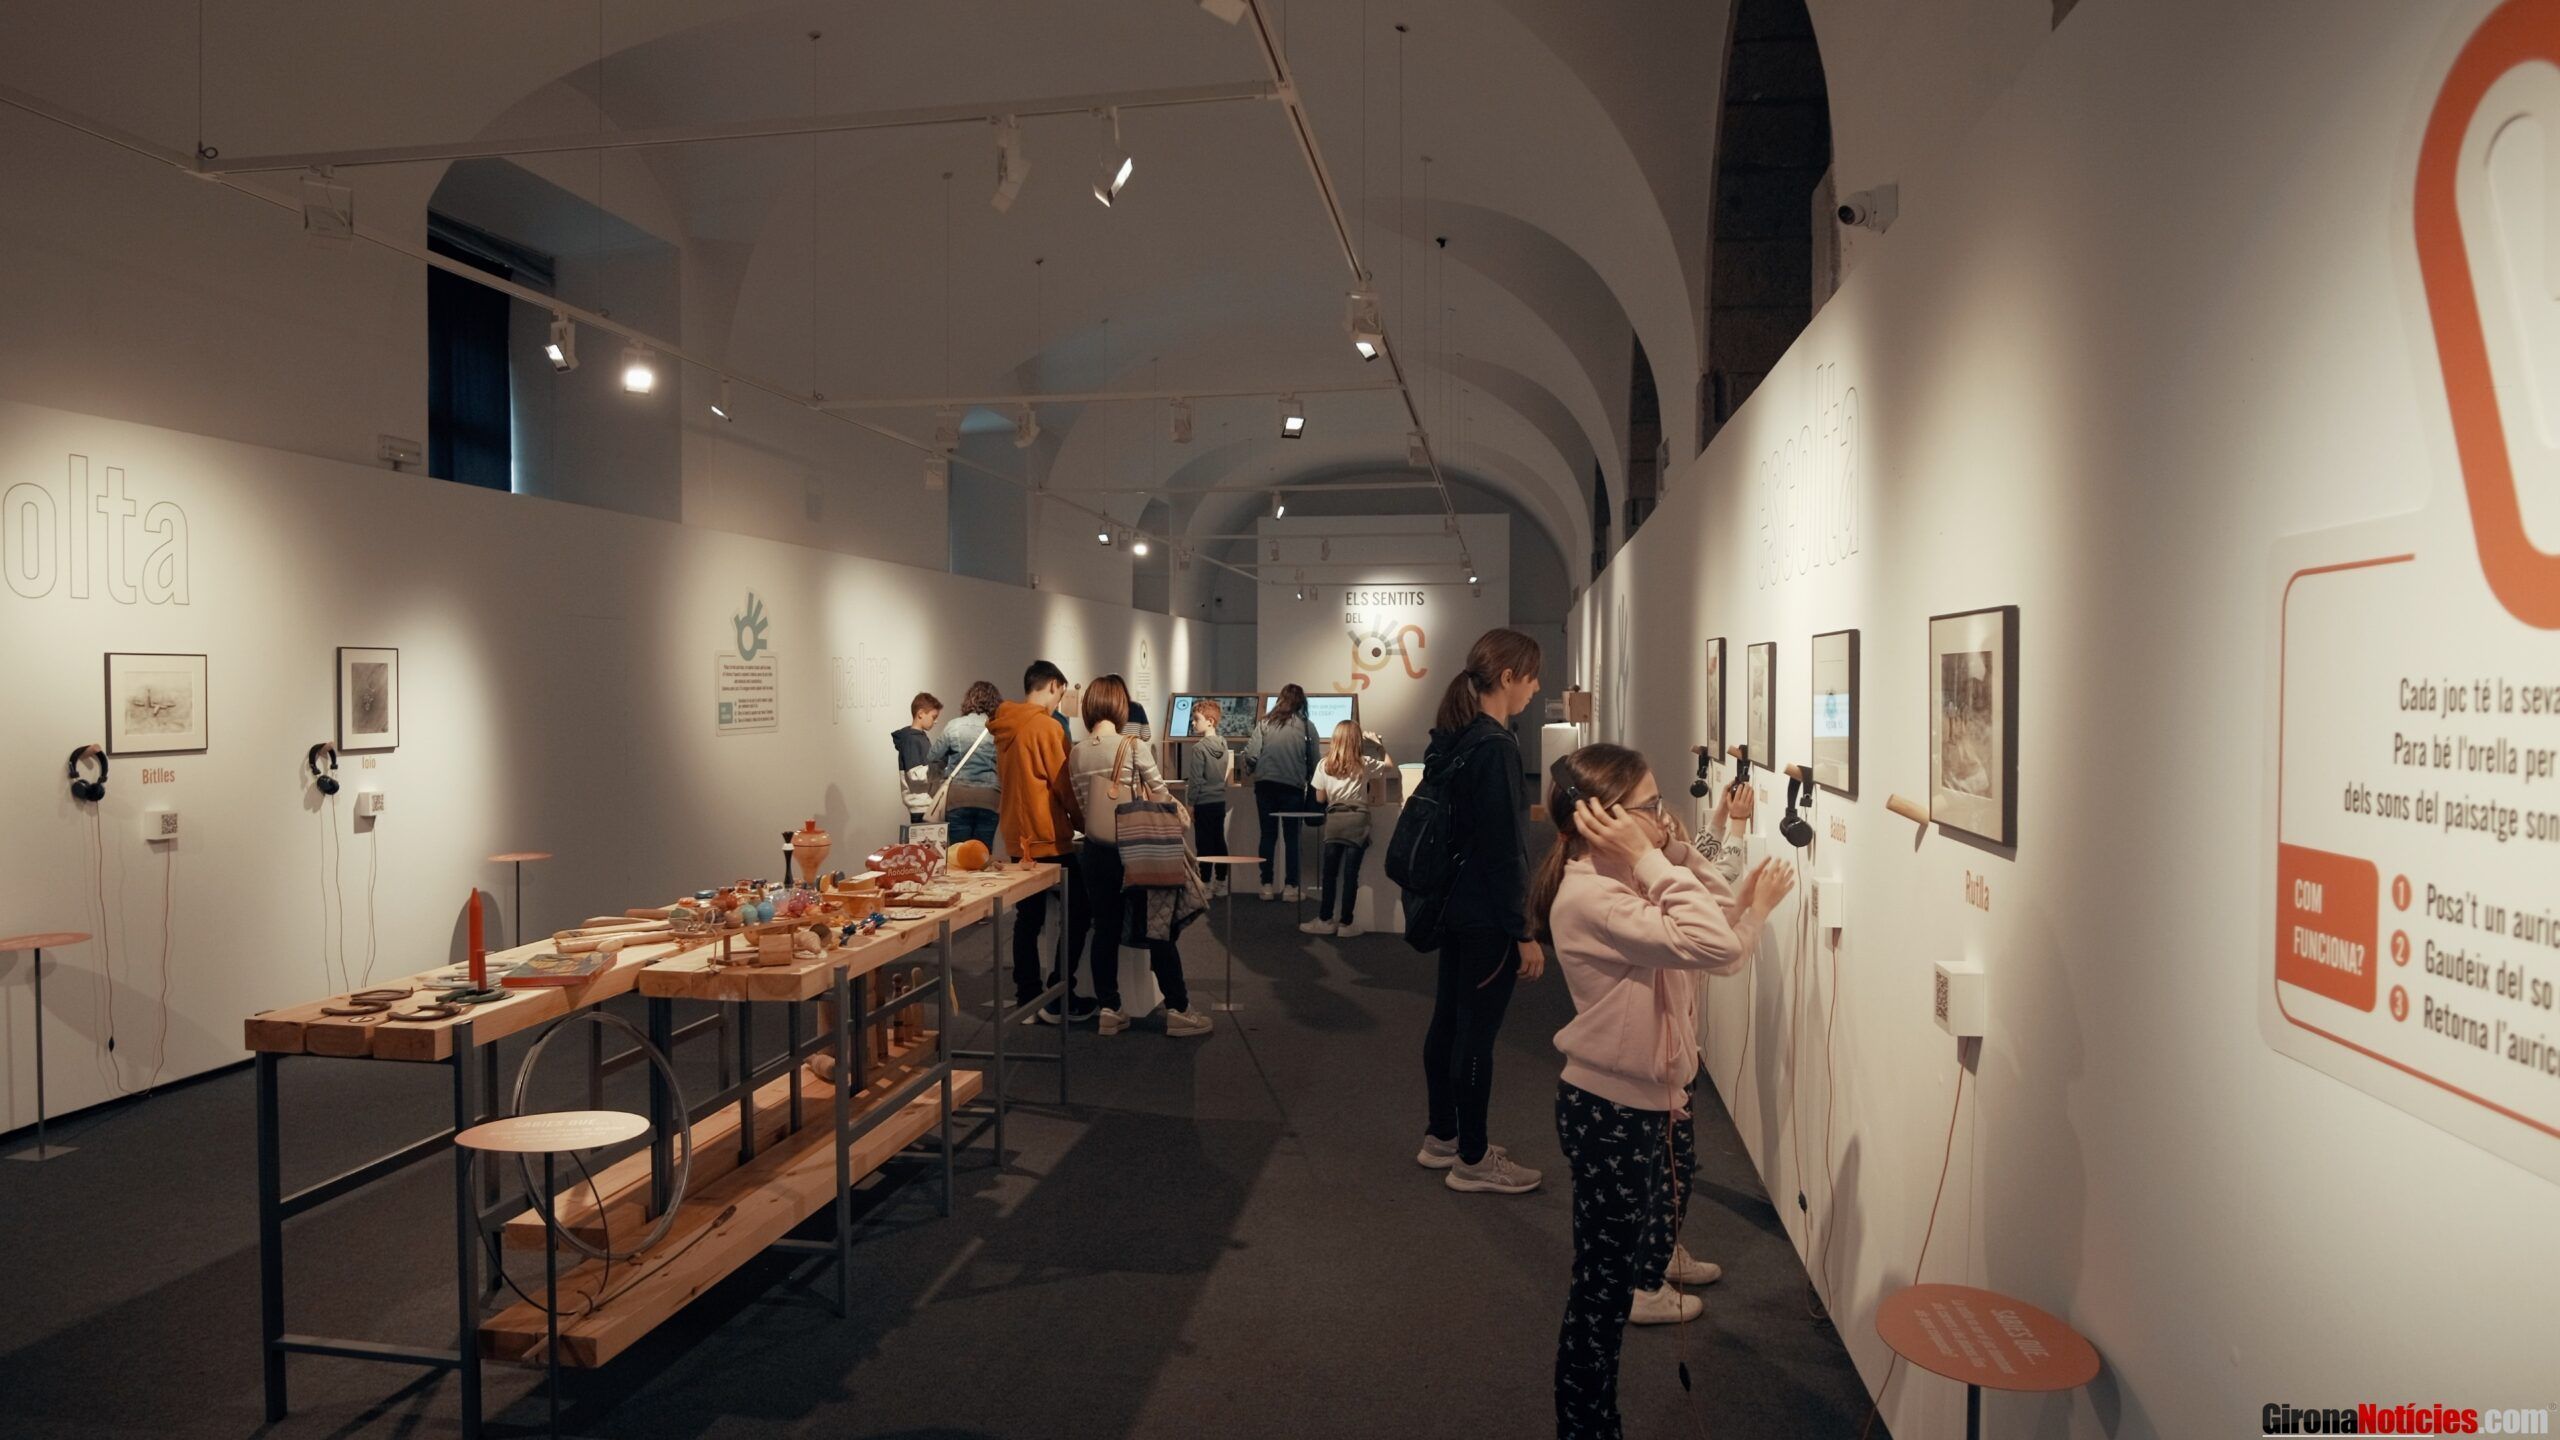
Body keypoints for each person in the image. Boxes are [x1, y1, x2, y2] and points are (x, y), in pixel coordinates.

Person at [1539, 746, 1793, 1438]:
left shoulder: (1628, 875)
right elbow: (1719, 944)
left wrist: (1672, 850)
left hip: (1640, 1101)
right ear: (1602, 820)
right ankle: (1587, 1427)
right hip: (1610, 1112)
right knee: (1600, 1294)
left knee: (1613, 1277)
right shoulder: (1595, 896)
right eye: (1649, 806)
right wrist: (1654, 858)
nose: (1663, 815)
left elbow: (1717, 917)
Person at [1413, 628, 1546, 1194]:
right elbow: (1503, 849)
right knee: (1475, 1035)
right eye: (1532, 677)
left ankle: (1442, 1136)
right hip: (1485, 915)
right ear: (1508, 677)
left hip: (1453, 906)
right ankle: (1472, 1158)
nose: (1536, 689)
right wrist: (1524, 931)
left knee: (1448, 1020)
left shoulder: (1457, 737)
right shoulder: (1495, 747)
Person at [1057, 675, 1212, 1038]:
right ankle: (1178, 1009)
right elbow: (1160, 797)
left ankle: (1110, 1009)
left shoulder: (1077, 752)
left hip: (1096, 852)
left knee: (1105, 930)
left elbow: (1081, 805)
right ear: (1119, 705)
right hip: (1138, 850)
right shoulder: (1133, 746)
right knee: (1158, 929)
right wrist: (1181, 816)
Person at [990, 662, 1095, 1022]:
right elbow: (1064, 785)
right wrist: (1084, 822)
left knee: (1028, 918)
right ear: (1053, 685)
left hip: (1017, 839)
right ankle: (1059, 993)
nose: (1058, 702)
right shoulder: (1047, 728)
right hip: (1048, 837)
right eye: (1061, 694)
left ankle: (1028, 996)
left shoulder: (1004, 727)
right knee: (1080, 911)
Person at [1300, 721, 1391, 938]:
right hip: (1358, 821)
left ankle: (1325, 919)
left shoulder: (1324, 764)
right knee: (1351, 875)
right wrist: (1379, 745)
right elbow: (1389, 766)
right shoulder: (1364, 763)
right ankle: (1346, 923)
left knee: (1329, 874)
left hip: (1335, 822)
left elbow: (1319, 798)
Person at [1244, 684, 1320, 900]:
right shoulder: (1307, 727)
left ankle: (1266, 885)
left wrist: (1251, 769)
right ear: (1301, 703)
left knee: (1268, 836)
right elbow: (1315, 761)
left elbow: (1251, 755)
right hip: (1293, 788)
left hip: (1265, 786)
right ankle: (1291, 887)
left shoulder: (1265, 723)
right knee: (1292, 838)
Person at [936, 681, 1003, 850]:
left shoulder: (954, 726)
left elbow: (934, 757)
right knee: (982, 853)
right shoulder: (998, 729)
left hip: (958, 797)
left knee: (958, 853)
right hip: (989, 797)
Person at [1182, 700, 1235, 897]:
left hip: (1203, 802)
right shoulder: (1223, 744)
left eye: (1196, 719)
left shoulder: (1199, 748)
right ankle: (1221, 881)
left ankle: (1205, 883)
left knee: (1203, 843)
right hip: (1219, 800)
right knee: (1219, 840)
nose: (1193, 723)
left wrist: (1190, 804)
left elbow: (1196, 780)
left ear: (1210, 721)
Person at [892, 692, 942, 820]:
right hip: (920, 807)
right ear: (920, 714)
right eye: (934, 717)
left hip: (927, 804)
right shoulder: (911, 740)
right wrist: (940, 768)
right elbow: (915, 774)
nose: (936, 721)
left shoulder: (920, 738)